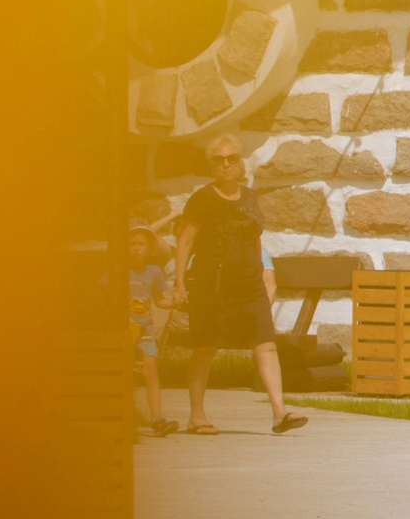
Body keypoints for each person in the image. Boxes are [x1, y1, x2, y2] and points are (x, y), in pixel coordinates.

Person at [171, 135, 307, 437]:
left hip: (248, 282)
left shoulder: (249, 197)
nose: (226, 164)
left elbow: (254, 238)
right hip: (212, 283)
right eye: (219, 159)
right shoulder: (202, 198)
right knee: (206, 347)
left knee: (266, 344)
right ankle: (196, 416)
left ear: (240, 161)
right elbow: (186, 241)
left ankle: (279, 413)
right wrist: (179, 283)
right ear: (211, 164)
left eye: (231, 157)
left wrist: (264, 272)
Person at [126, 226, 178, 436]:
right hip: (123, 330)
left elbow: (160, 300)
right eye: (132, 244)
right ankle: (127, 417)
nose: (136, 249)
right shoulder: (118, 269)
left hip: (144, 328)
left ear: (149, 248)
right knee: (125, 372)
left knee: (151, 371)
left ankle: (157, 419)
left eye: (141, 244)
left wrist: (176, 303)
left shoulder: (154, 271)